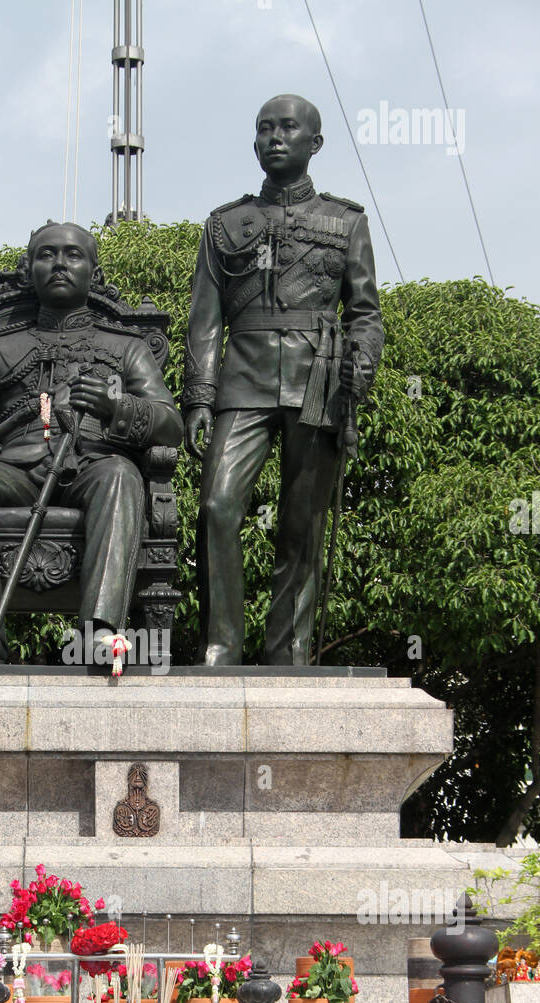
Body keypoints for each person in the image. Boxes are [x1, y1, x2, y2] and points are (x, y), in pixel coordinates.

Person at [184, 94, 384, 665]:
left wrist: (361, 366)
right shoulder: (224, 225)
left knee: (302, 525)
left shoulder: (347, 222)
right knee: (217, 507)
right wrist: (199, 398)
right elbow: (205, 320)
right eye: (264, 128)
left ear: (313, 143)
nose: (274, 137)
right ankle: (221, 644)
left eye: (287, 128)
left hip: (317, 381)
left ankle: (288, 654)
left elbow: (365, 312)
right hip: (241, 381)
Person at [0, 221, 183, 663]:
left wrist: (117, 408)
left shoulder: (125, 348)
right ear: (29, 268)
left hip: (93, 465)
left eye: (73, 255)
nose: (60, 263)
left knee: (122, 475)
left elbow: (170, 423)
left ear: (93, 270)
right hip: (17, 470)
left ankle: (100, 633)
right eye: (47, 254)